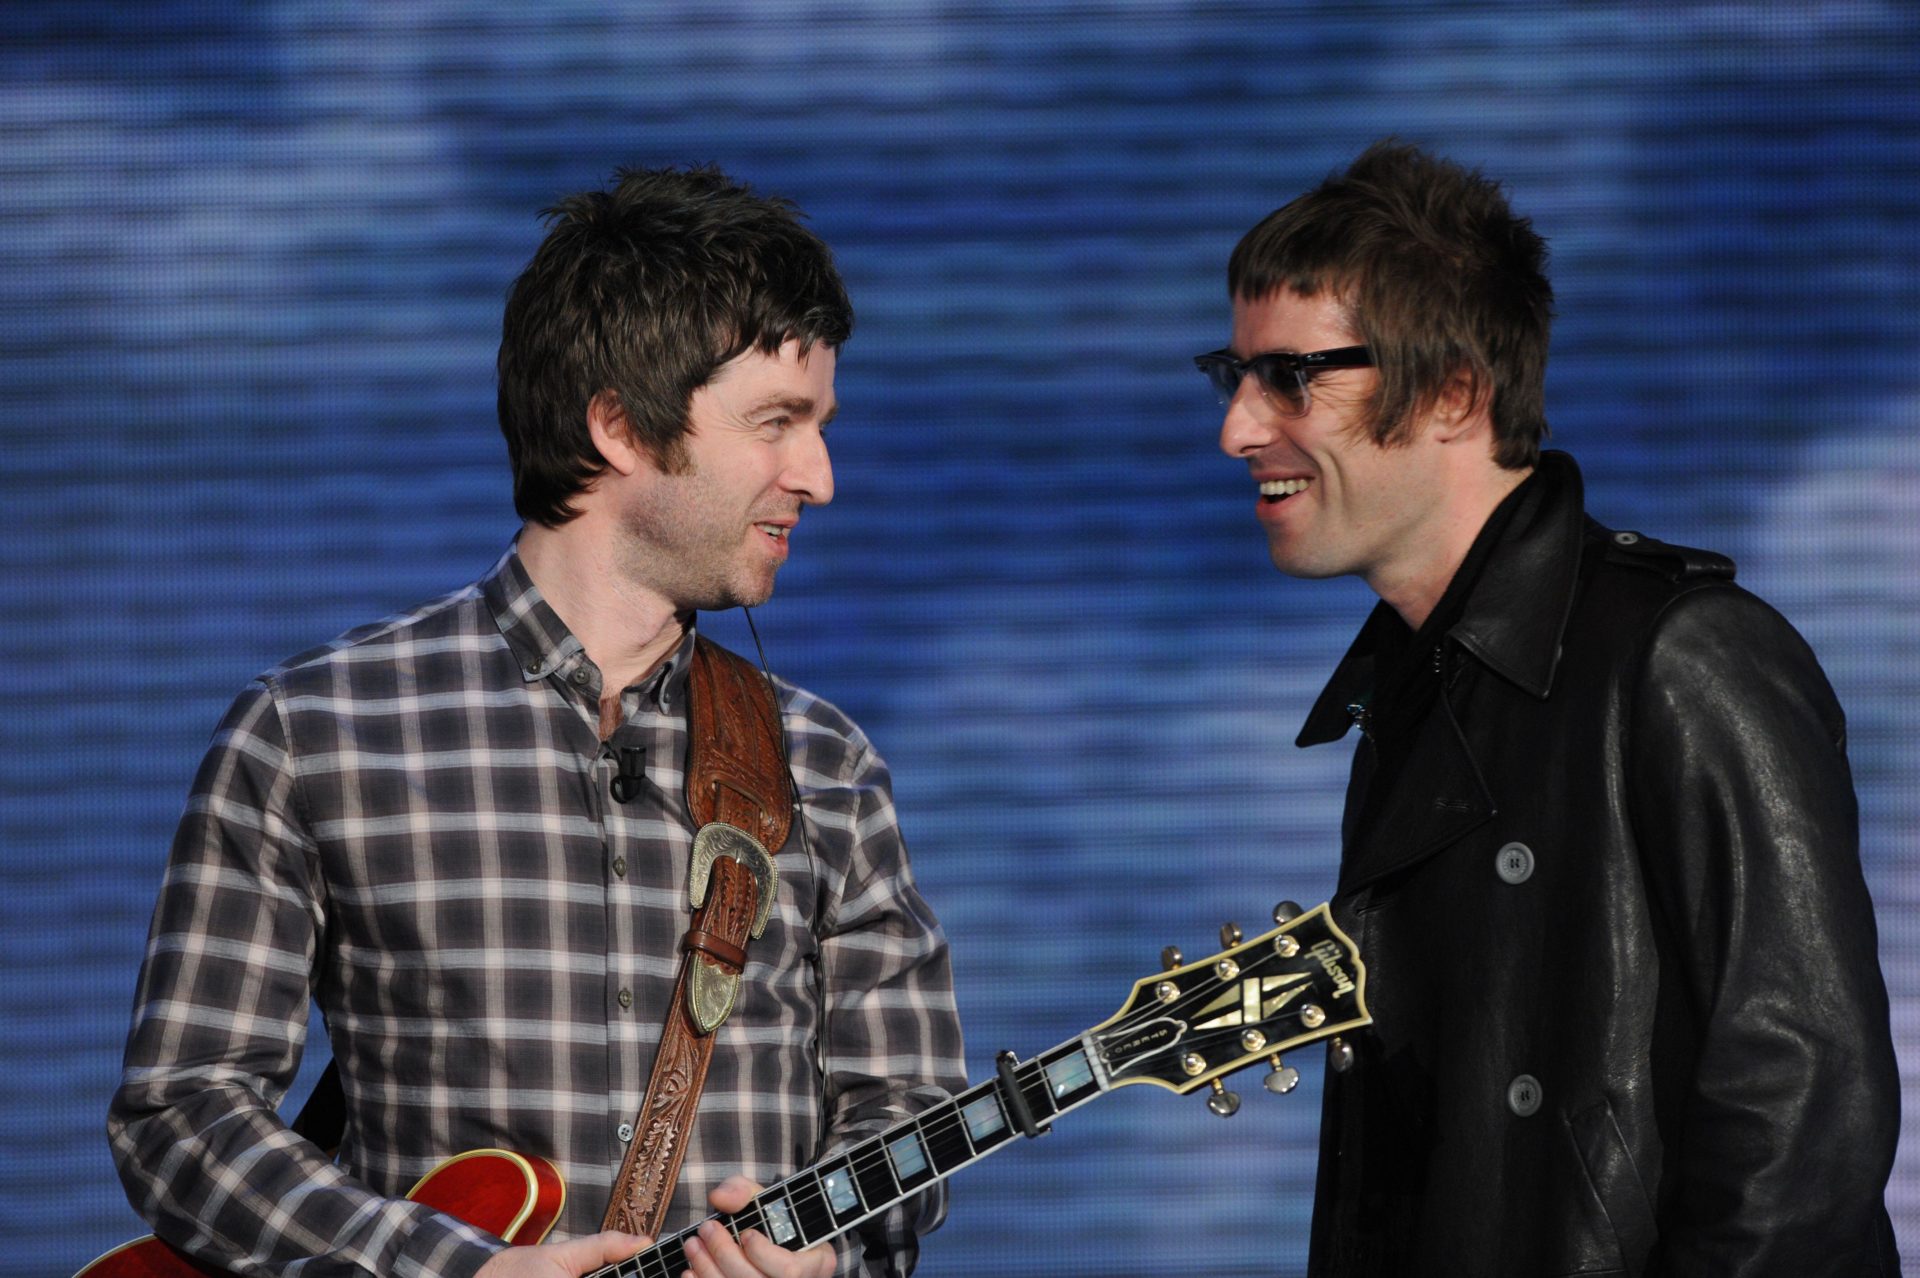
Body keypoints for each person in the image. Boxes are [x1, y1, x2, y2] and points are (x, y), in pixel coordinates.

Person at [109, 166, 965, 1278]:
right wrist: (440, 1266)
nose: (822, 475)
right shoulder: (316, 730)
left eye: (821, 424)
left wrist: (832, 1264)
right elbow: (182, 1115)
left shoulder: (825, 765)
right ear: (619, 426)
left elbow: (907, 1119)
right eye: (778, 423)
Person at [1200, 141, 1900, 1275]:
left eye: (1291, 377)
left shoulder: (1685, 657)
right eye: (1228, 376)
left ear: (1454, 393)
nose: (1237, 428)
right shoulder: (1413, 699)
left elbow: (1805, 1135)